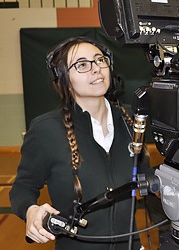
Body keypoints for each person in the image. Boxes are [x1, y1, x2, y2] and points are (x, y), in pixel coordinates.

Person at [9, 37, 148, 250]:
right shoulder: (45, 129)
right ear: (64, 78)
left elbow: (152, 181)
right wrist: (30, 210)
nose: (95, 69)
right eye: (82, 65)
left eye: (99, 60)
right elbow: (22, 188)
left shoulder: (134, 120)